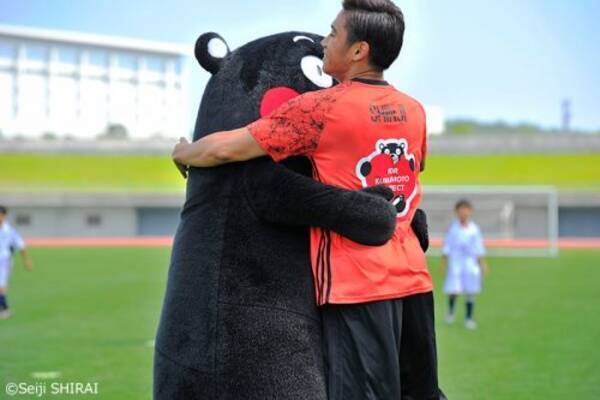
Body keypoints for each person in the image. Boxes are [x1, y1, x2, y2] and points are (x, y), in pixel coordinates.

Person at [171, 1, 444, 398]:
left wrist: (183, 152)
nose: (323, 40)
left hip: (357, 286)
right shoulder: (414, 111)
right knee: (422, 393)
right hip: (414, 281)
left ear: (358, 51)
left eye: (333, 33)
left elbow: (228, 149)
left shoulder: (321, 108)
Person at [441, 199, 489, 330]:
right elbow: (447, 246)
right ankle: (450, 313)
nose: (464, 213)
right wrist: (444, 262)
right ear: (457, 212)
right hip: (456, 262)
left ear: (470, 211)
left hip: (470, 263)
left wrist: (482, 264)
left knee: (470, 291)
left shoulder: (474, 229)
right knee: (453, 290)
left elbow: (478, 247)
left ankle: (469, 318)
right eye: (461, 210)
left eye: (466, 210)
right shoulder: (453, 228)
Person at [0, 205, 33, 319]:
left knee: (1, 286)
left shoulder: (9, 230)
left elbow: (21, 245)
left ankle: (5, 309)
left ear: (4, 215)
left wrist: (26, 260)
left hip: (4, 261)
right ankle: (5, 309)